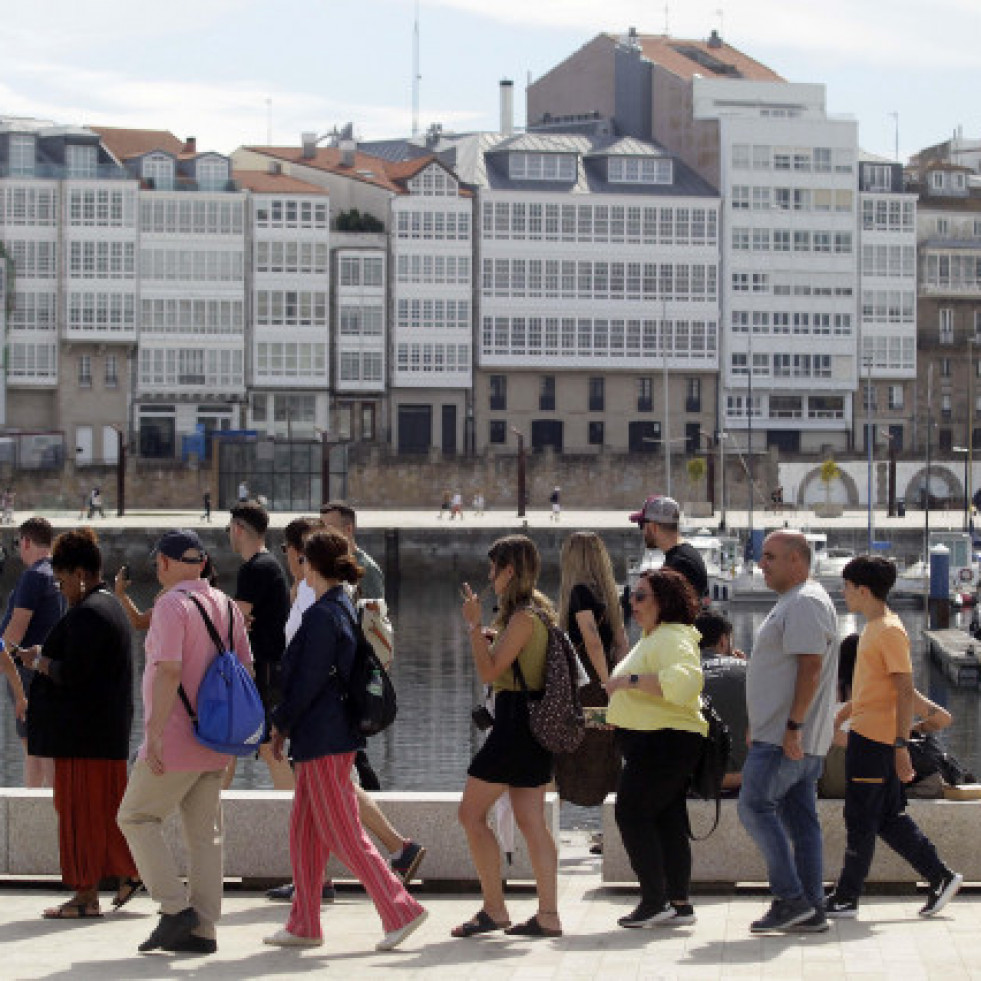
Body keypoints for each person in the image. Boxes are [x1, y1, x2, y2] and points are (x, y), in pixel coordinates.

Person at [263, 529, 428, 950]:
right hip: (330, 734)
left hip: (323, 738)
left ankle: (401, 909)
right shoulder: (339, 607)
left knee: (343, 834)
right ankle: (303, 924)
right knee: (304, 831)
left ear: (308, 565)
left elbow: (308, 682)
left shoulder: (322, 615)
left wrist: (279, 723)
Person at [117, 529, 252, 956]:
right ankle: (204, 930)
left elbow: (170, 671)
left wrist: (152, 738)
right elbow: (244, 669)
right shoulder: (228, 606)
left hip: (175, 739)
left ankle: (176, 910)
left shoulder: (171, 605)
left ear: (169, 563)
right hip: (216, 738)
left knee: (135, 817)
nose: (157, 567)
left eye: (160, 560)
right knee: (205, 836)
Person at [824, 556, 963, 920]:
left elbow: (904, 692)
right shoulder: (876, 628)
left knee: (861, 817)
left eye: (847, 587)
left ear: (863, 590)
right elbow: (877, 690)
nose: (844, 593)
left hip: (875, 742)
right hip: (868, 734)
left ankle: (846, 897)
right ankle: (940, 876)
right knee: (886, 817)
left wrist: (900, 747)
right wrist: (845, 712)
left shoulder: (887, 630)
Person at [25, 528, 140, 919]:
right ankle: (127, 872)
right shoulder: (109, 606)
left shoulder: (90, 613)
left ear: (78, 573)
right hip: (104, 736)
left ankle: (85, 894)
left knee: (77, 814)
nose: (60, 590)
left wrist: (40, 661)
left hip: (83, 738)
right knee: (105, 812)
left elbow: (73, 672)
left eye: (61, 581)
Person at [455, 535, 563, 940]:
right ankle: (547, 914)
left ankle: (495, 908)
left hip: (516, 725)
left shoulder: (522, 619)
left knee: (470, 814)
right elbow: (507, 665)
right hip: (529, 724)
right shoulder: (536, 614)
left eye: (493, 569)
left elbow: (488, 673)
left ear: (509, 571)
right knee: (531, 820)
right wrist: (489, 639)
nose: (489, 577)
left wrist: (471, 625)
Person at [316, 501, 426, 883]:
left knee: (345, 774)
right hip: (341, 684)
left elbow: (375, 629)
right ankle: (331, 870)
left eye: (327, 528)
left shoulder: (367, 572)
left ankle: (393, 849)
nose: (320, 535)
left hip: (353, 686)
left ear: (348, 531)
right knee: (343, 774)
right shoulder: (328, 569)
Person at [738, 530, 838, 934]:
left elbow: (810, 668)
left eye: (770, 557)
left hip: (787, 738)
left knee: (753, 806)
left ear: (797, 559)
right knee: (801, 821)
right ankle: (811, 907)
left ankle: (791, 898)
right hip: (782, 733)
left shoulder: (805, 602)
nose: (762, 564)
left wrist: (792, 727)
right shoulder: (797, 601)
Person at [604, 568, 707, 928]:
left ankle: (654, 900)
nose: (633, 603)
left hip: (663, 740)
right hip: (658, 739)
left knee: (631, 813)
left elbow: (685, 682)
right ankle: (677, 902)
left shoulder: (670, 637)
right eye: (631, 596)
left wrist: (628, 680)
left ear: (664, 601)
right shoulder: (654, 637)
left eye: (641, 596)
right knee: (666, 819)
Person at [553, 531, 628, 809]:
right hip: (609, 677)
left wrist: (605, 684)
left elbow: (592, 640)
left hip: (587, 683)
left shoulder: (579, 592)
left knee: (566, 748)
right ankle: (611, 830)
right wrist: (619, 683)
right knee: (608, 748)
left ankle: (549, 831)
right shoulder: (609, 595)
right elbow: (621, 644)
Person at [228, 501, 293, 789]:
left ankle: (295, 808)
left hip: (264, 667)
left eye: (230, 528)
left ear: (239, 529)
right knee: (232, 744)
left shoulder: (254, 569)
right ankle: (213, 812)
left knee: (267, 745)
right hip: (268, 667)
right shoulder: (267, 565)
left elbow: (236, 620)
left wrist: (232, 615)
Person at [1, 516, 66, 787]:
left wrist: (17, 692)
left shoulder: (33, 577)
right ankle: (44, 812)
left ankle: (45, 815)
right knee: (42, 749)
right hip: (48, 668)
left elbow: (13, 637)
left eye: (18, 543)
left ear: (26, 541)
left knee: (36, 750)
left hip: (26, 674)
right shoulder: (58, 574)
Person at [694, 610, 748, 792]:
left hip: (693, 778)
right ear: (724, 641)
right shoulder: (748, 670)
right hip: (744, 775)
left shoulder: (678, 673)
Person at [629, 495, 707, 599]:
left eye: (641, 525)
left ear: (653, 527)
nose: (642, 531)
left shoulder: (678, 565)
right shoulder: (687, 555)